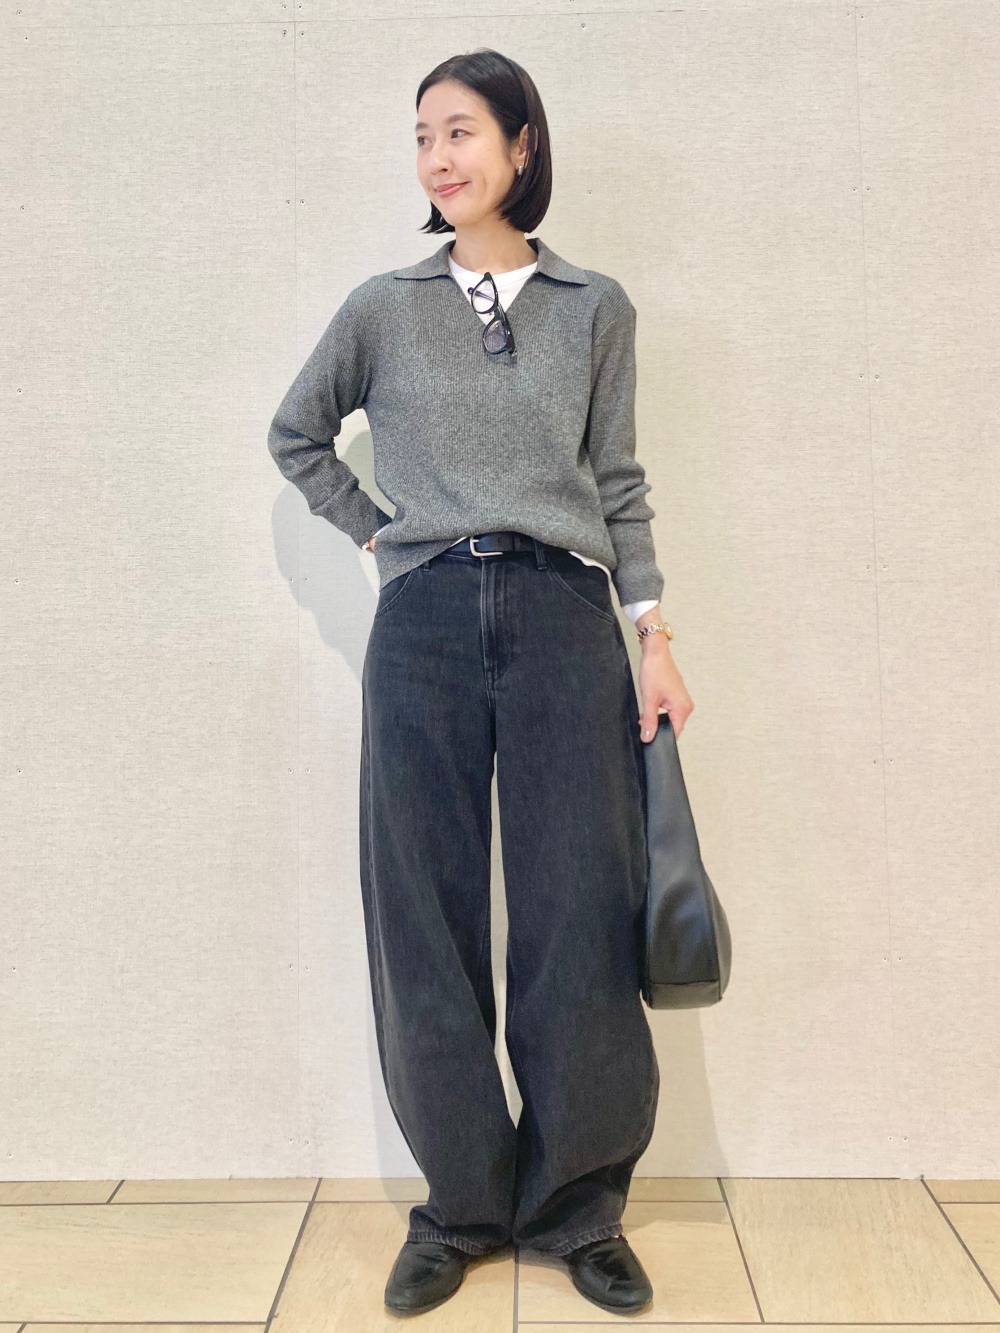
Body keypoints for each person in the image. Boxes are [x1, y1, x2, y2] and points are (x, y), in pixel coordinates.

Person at [267, 47, 694, 1318]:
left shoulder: (594, 307)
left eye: (459, 131)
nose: (437, 158)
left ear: (521, 144)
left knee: (579, 910)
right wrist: (378, 539)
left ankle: (576, 1207)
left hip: (565, 616)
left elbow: (617, 484)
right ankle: (459, 1205)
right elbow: (297, 434)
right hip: (426, 623)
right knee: (423, 912)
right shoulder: (382, 307)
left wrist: (654, 636)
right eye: (421, 137)